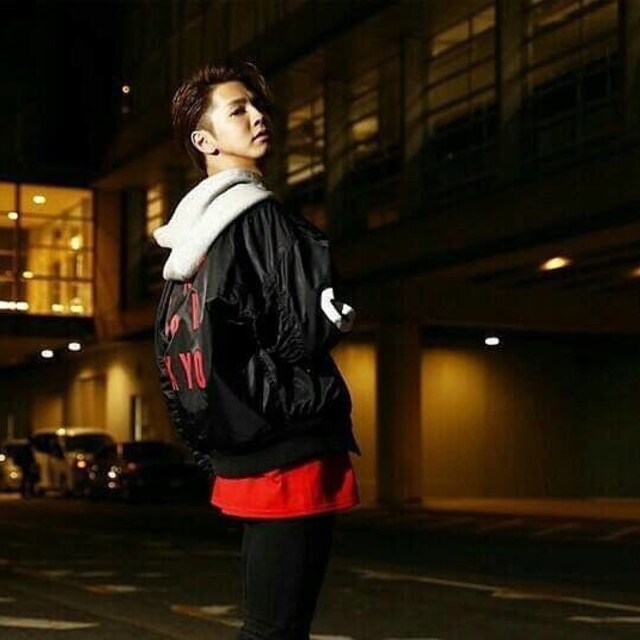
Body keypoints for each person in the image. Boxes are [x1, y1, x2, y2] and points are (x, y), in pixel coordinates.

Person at [153, 61, 360, 639]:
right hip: (290, 441)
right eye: (237, 110)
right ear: (205, 141)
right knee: (277, 629)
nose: (257, 116)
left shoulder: (193, 235)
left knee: (267, 624)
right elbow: (304, 333)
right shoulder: (262, 218)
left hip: (241, 436)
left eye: (257, 105)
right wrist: (335, 307)